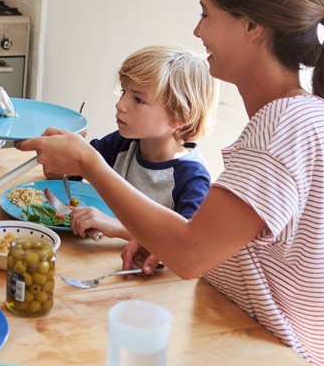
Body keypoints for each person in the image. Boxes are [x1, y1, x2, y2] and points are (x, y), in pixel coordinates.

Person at [17, 0, 324, 366]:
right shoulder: (302, 116)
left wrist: (89, 162)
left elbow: (191, 253)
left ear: (252, 26)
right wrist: (167, 244)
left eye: (207, 13)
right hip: (255, 358)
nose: (197, 29)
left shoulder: (285, 127)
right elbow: (232, 249)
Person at [44, 45, 217, 240]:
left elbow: (187, 245)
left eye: (138, 100)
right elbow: (55, 176)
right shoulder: (122, 144)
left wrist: (117, 227)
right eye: (123, 91)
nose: (120, 104)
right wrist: (65, 152)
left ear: (179, 117)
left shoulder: (192, 177)